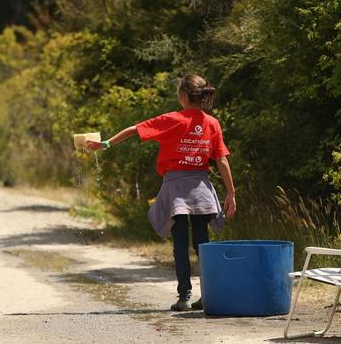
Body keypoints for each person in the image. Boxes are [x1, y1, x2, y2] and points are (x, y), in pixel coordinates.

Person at [86, 74, 236, 311]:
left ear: (184, 96)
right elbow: (221, 160)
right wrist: (231, 193)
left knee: (180, 244)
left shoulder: (173, 119)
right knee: (202, 245)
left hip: (176, 188)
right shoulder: (212, 123)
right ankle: (208, 295)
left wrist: (105, 144)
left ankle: (184, 296)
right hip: (201, 189)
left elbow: (134, 129)